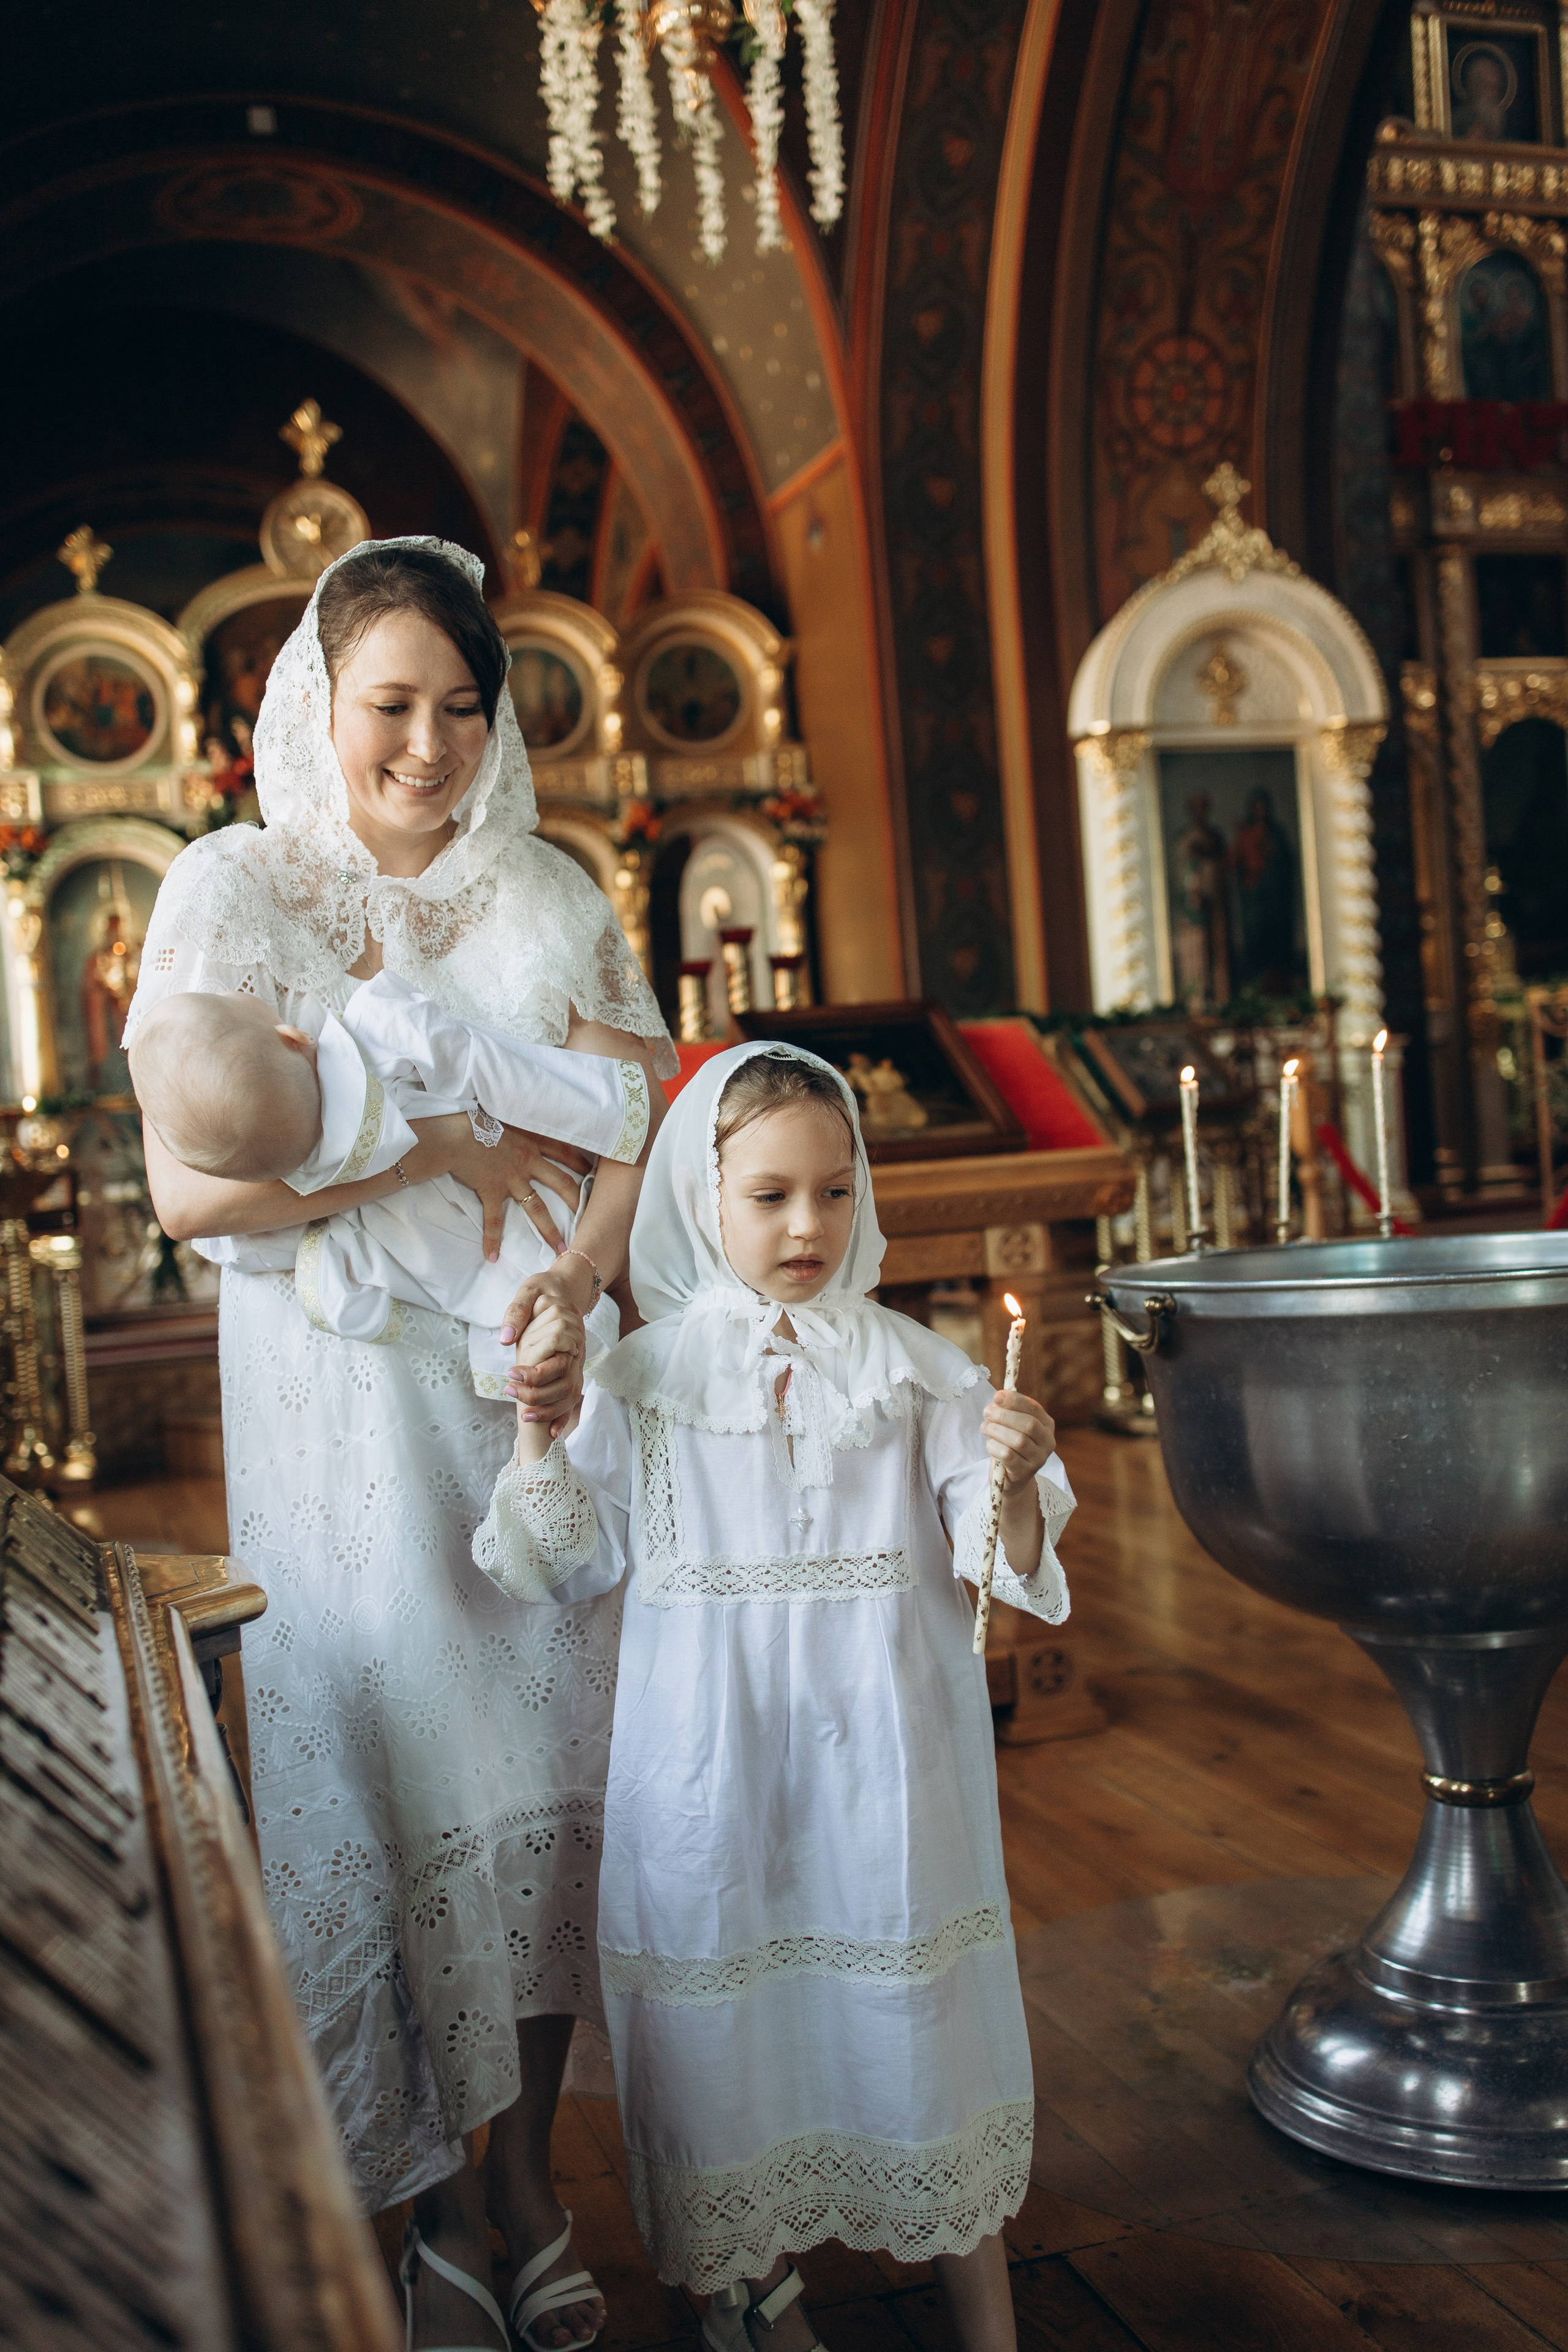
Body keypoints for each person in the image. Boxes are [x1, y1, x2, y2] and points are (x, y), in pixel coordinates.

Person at [123, 535, 677, 2352]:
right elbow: (193, 1179)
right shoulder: (236, 890)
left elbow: (626, 1126)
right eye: (391, 706)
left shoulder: (545, 894)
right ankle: (424, 2180)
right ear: (315, 701)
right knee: (391, 1766)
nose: (427, 745)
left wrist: (581, 1283)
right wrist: (415, 1156)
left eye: (461, 706)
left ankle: (523, 2177)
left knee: (543, 1769)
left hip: (523, 1387)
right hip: (340, 1402)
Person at [471, 1042, 1074, 2352]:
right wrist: (535, 1431)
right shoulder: (643, 1381)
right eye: (769, 1196)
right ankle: (738, 2294)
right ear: (703, 1196)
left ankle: (983, 2314)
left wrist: (1015, 1477)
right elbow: (561, 1562)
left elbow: (998, 1563)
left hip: (886, 1770)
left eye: (835, 1191)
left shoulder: (916, 1369)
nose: (807, 1226)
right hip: (710, 1770)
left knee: (914, 2020)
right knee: (721, 2028)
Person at [129, 976, 655, 1392]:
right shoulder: (383, 1027)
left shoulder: (314, 1207)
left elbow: (332, 1292)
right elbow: (497, 1068)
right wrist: (612, 1108)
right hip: (576, 1217)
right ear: (291, 1036)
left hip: (507, 1312)